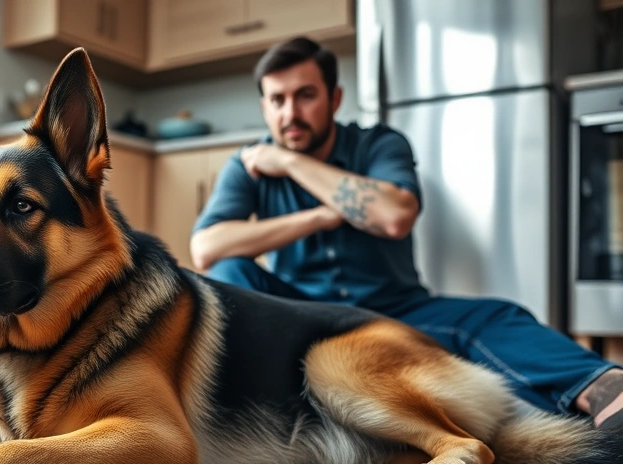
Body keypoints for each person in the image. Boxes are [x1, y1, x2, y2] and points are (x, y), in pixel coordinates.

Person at [190, 36, 623, 430]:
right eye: (277, 100)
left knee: (496, 318)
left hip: (397, 312)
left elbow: (394, 215)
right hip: (298, 318)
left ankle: (602, 389)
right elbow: (206, 248)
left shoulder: (379, 143)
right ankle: (242, 416)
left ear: (335, 98)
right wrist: (321, 217)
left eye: (305, 96)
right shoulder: (247, 164)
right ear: (264, 107)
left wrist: (289, 163)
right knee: (231, 273)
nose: (290, 113)